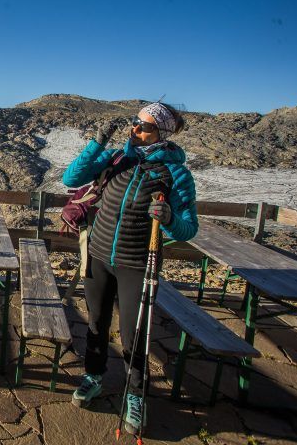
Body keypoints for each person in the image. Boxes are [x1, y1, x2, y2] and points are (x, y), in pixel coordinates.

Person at [62, 101, 198, 436]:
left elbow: (188, 227)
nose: (135, 130)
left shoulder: (175, 174)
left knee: (132, 334)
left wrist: (169, 220)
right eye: (134, 123)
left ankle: (136, 393)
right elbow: (71, 177)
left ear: (162, 133)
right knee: (95, 322)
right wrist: (97, 143)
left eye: (144, 126)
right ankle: (93, 377)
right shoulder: (119, 159)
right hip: (98, 254)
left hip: (137, 262)